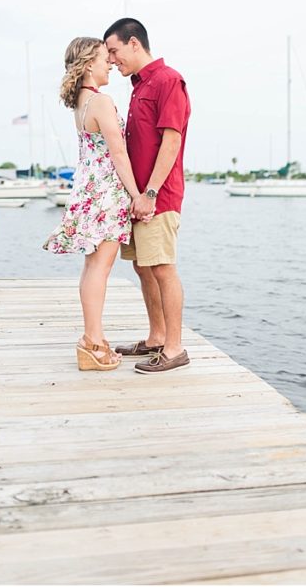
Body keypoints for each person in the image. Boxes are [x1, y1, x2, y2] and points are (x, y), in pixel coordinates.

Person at [44, 36, 139, 371]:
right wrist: (138, 195)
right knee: (101, 267)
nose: (110, 63)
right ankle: (93, 341)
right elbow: (118, 153)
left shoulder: (80, 102)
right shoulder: (101, 101)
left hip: (89, 189)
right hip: (107, 192)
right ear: (88, 64)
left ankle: (92, 338)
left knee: (92, 267)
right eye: (103, 58)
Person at [104, 18, 192, 375]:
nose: (111, 60)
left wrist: (151, 193)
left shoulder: (168, 80)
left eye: (114, 50)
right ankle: (157, 337)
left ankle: (174, 348)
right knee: (143, 267)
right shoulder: (139, 86)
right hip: (138, 198)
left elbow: (172, 139)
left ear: (134, 43)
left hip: (159, 197)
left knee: (161, 267)